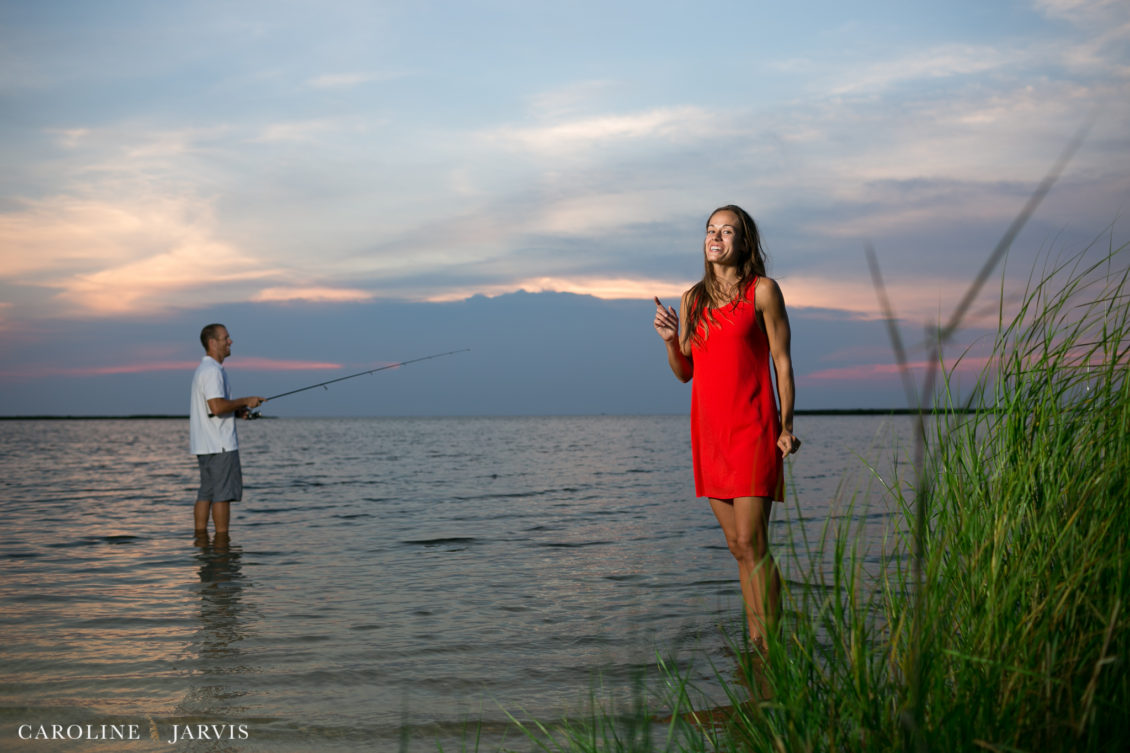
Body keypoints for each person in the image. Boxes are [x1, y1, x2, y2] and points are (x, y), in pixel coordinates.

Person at [653, 205, 799, 653]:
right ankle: (757, 639)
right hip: (710, 435)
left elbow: (782, 362)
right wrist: (668, 340)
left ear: (744, 242)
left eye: (727, 230)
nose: (717, 236)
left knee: (754, 544)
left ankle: (775, 642)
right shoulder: (692, 299)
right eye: (711, 229)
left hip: (754, 429)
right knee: (738, 546)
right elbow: (685, 372)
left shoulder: (763, 292)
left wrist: (787, 425)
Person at [189, 323, 265, 535]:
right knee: (222, 496)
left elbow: (213, 409)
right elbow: (217, 406)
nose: (230, 342)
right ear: (212, 343)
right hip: (220, 444)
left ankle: (201, 542)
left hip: (205, 444)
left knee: (206, 493)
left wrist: (237, 410)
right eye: (226, 338)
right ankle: (222, 549)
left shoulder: (204, 369)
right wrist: (246, 400)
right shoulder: (213, 371)